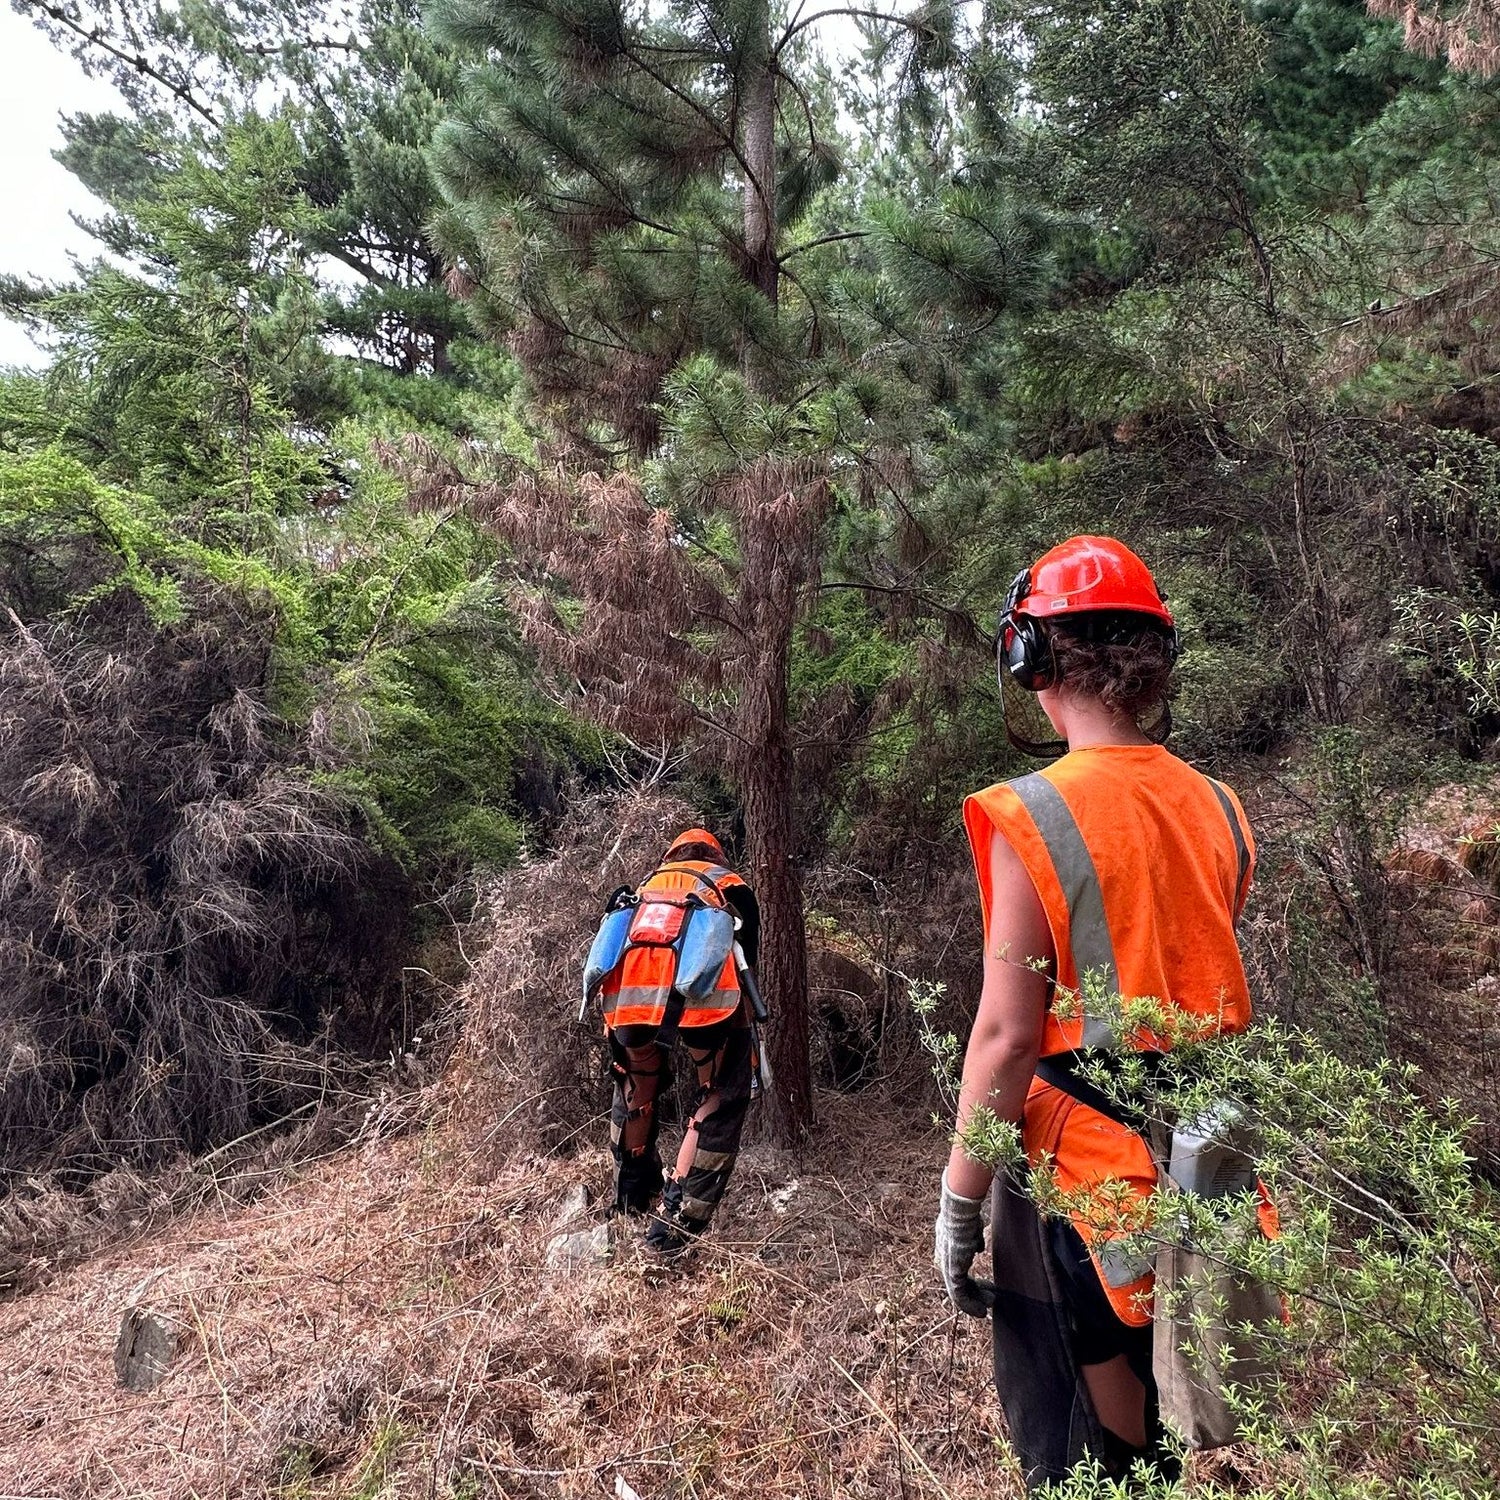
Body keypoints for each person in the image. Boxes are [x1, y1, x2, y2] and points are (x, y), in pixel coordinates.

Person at [932, 536, 1259, 1486]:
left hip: (1083, 1167)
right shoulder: (1219, 806)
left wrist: (960, 1201)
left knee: (1098, 1448)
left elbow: (1007, 1034)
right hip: (1205, 1143)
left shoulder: (1032, 812)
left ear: (1031, 657)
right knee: (1172, 1393)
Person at [599, 828, 761, 1255]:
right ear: (716, 855)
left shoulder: (648, 887)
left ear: (671, 855)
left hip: (628, 1007)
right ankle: (674, 1225)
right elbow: (748, 964)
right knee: (719, 1095)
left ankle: (631, 1196)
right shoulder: (727, 885)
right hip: (703, 1005)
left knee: (636, 1083)